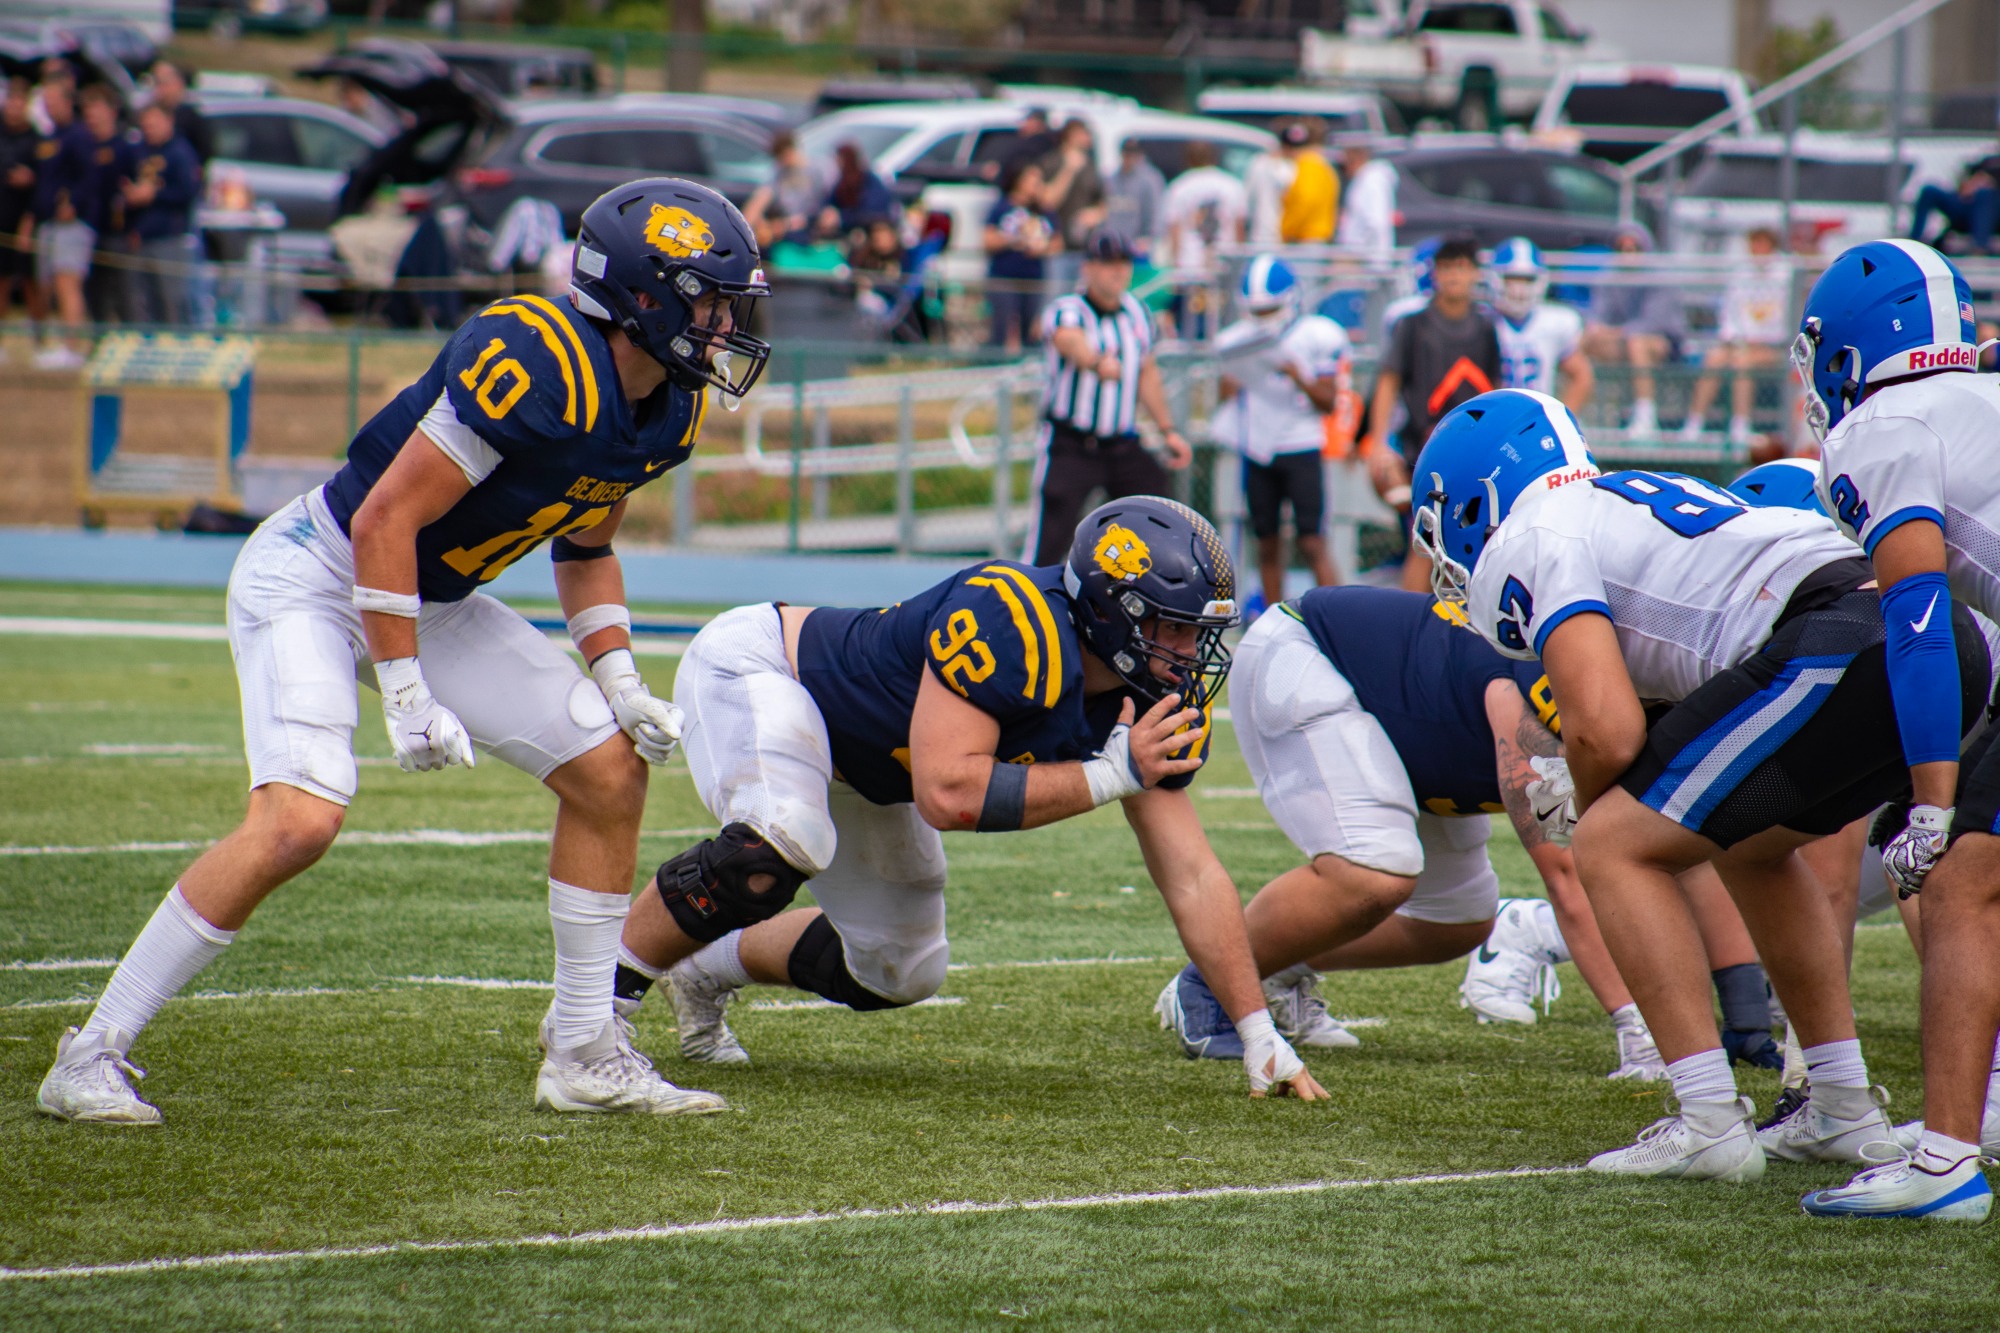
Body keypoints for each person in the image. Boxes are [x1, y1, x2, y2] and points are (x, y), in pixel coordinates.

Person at [34, 178, 772, 1125]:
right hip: (320, 568)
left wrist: (620, 678)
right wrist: (406, 692)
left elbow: (586, 547)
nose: (724, 324)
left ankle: (584, 1047)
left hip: (430, 594)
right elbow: (386, 515)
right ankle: (90, 1052)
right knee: (300, 818)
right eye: (710, 299)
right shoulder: (533, 358)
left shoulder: (667, 406)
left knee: (608, 769)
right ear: (645, 295)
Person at [1413, 386, 1992, 1189]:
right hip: (1936, 642)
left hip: (1840, 637)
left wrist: (1595, 805)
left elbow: (1605, 728)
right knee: (1752, 847)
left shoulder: (1531, 533)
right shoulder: (1615, 499)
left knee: (1609, 845)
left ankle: (1708, 1119)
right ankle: (1842, 1105)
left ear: (1471, 504)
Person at [608, 495, 1327, 1102]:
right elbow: (948, 791)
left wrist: (1257, 1030)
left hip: (869, 767)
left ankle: (702, 967)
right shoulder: (1009, 615)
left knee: (901, 967)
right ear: (1112, 608)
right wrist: (1111, 776)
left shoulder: (1146, 694)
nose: (1186, 651)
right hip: (768, 673)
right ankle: (593, 1018)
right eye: (1171, 625)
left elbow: (1192, 871)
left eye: (1197, 630)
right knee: (782, 834)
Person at [1155, 585, 1671, 1083]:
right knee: (1372, 871)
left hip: (1412, 721)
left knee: (1458, 919)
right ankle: (1205, 986)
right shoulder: (1527, 697)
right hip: (1309, 657)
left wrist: (1739, 1011)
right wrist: (1642, 1030)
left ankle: (1273, 968)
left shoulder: (1641, 699)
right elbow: (1567, 873)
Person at [1791, 239, 2000, 1220]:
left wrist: (1927, 801)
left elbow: (1916, 615)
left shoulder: (1881, 426)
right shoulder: (1973, 401)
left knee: (1956, 878)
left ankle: (1945, 1165)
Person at [1023, 228, 1192, 566]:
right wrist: (1096, 362)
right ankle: (1030, 607)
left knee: (1162, 521)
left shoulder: (1138, 313)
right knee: (1051, 538)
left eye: (1124, 263)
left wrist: (1167, 430)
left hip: (1121, 443)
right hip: (1073, 443)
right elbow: (1069, 340)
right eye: (1108, 263)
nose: (1118, 271)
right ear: (1088, 268)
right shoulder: (1068, 309)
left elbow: (1147, 372)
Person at [1362, 235, 1501, 591]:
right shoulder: (1414, 324)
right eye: (1447, 267)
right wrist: (1378, 443)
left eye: (1462, 267)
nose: (1454, 276)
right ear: (1435, 274)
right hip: (1423, 450)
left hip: (1475, 454)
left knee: (1463, 547)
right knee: (1427, 541)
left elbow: (1497, 390)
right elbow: (1388, 381)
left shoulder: (1485, 328)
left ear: (1474, 274)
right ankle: (1413, 624)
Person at [1211, 255, 1347, 605]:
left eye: (1269, 310)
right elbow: (1223, 394)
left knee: (1312, 540)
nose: (1262, 320)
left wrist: (1294, 373)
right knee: (1266, 541)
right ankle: (1273, 618)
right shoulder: (1236, 338)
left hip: (1301, 445)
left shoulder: (1315, 334)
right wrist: (1239, 371)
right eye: (1256, 312)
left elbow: (1329, 401)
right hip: (1257, 447)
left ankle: (1337, 611)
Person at [32, 82, 125, 367]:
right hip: (49, 222)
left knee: (67, 282)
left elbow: (90, 178)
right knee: (50, 284)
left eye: (53, 99)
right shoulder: (52, 136)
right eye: (44, 100)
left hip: (73, 224)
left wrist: (72, 204)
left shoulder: (78, 136)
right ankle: (56, 344)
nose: (49, 105)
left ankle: (72, 348)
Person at [1681, 226, 1792, 447]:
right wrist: (1736, 339)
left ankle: (1740, 424)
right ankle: (1694, 423)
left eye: (1762, 244)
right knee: (1714, 358)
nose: (1757, 250)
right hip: (1740, 343)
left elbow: (1784, 322)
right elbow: (1729, 316)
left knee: (1742, 362)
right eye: (1753, 244)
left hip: (1773, 348)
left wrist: (1758, 340)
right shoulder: (1740, 274)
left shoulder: (1786, 275)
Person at [1580, 224, 1686, 437]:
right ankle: (1583, 412)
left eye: (1634, 248)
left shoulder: (1659, 277)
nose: (1628, 255)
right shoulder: (1609, 276)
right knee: (1586, 340)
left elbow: (1653, 323)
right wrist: (1600, 331)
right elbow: (1598, 317)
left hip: (1665, 344)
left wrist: (1616, 332)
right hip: (1624, 339)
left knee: (1638, 342)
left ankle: (1645, 416)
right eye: (1622, 249)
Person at [121, 98, 200, 327]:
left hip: (170, 238)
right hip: (141, 237)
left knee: (173, 300)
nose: (149, 129)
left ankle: (178, 349)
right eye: (146, 124)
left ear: (169, 121)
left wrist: (154, 195)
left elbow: (188, 192)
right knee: (145, 300)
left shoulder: (180, 152)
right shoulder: (139, 151)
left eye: (154, 123)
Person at [1490, 237, 1592, 412]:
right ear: (1496, 279)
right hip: (1493, 417)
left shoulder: (1554, 322)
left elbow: (1581, 376)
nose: (1519, 289)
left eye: (1526, 279)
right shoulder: (1483, 322)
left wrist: (1563, 419)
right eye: (1512, 279)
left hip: (1536, 419)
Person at [1160, 141, 1246, 339]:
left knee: (1190, 327)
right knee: (1223, 324)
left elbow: (1175, 232)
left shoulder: (1180, 186)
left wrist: (1175, 266)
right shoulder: (1232, 185)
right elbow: (1238, 228)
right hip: (1223, 265)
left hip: (1191, 268)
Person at [984, 163, 1059, 355]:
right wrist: (1014, 239)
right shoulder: (1002, 207)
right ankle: (995, 365)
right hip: (1004, 276)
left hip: (1033, 277)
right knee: (1002, 325)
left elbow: (1058, 242)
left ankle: (1028, 370)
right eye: (1032, 179)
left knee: (1032, 328)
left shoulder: (1043, 210)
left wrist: (1041, 248)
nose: (1036, 184)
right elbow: (988, 240)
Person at [0, 79, 45, 333]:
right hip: (2, 218)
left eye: (20, 103)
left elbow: (45, 181)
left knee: (31, 280)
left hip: (27, 219)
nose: (14, 108)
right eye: (11, 102)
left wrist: (31, 180)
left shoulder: (36, 139)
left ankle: (40, 338)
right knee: (2, 279)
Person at [742, 131, 826, 251]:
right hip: (786, 231)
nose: (783, 162)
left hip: (810, 229)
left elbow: (819, 209)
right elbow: (759, 201)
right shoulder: (780, 175)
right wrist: (757, 224)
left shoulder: (815, 172)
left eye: (784, 156)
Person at [1908, 146, 2000, 255]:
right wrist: (1972, 184)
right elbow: (1964, 186)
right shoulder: (1986, 160)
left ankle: (1979, 246)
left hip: (1991, 210)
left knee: (1984, 194)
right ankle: (1914, 242)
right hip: (1966, 205)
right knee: (1929, 190)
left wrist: (1988, 183)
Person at [1036, 118, 1107, 256]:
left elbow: (1102, 202)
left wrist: (1095, 214)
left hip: (1084, 244)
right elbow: (1047, 202)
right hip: (1055, 243)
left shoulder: (1090, 165)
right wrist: (1068, 170)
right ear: (1071, 135)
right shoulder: (1050, 162)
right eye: (1084, 133)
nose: (1088, 138)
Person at [1332, 137, 1395, 262]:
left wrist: (1360, 254)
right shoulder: (1363, 180)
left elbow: (1376, 222)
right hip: (1361, 255)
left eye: (1345, 164)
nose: (1344, 170)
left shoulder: (1372, 181)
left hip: (1365, 259)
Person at [814, 142, 895, 239]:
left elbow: (871, 212)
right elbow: (829, 203)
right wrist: (827, 214)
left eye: (839, 160)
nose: (837, 163)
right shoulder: (841, 182)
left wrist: (841, 217)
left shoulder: (869, 181)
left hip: (868, 234)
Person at [1103, 137, 1165, 261]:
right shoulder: (1111, 181)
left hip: (1137, 245)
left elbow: (1153, 212)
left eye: (1133, 153)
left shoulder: (1147, 181)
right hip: (1114, 244)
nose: (1129, 157)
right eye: (1127, 152)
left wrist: (1147, 238)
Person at [1276, 120, 1337, 246]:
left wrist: (1288, 229)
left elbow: (1306, 198)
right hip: (1317, 236)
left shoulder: (1307, 165)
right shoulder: (1323, 165)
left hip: (1305, 238)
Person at [1242, 121, 1295, 248]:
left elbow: (1247, 203)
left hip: (1263, 237)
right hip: (1280, 239)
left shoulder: (1258, 163)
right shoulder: (1292, 168)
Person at [147, 60, 210, 165]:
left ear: (179, 84)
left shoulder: (191, 118)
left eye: (164, 83)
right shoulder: (147, 112)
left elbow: (204, 153)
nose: (159, 89)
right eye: (156, 83)